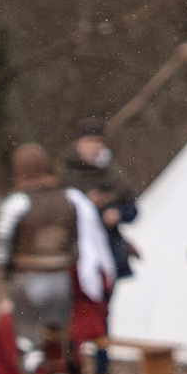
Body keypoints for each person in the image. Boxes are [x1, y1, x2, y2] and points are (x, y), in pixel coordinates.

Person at [0, 143, 106, 374]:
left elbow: (2, 252)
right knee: (58, 353)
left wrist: (9, 278)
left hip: (29, 280)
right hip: (60, 281)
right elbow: (75, 248)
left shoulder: (18, 203)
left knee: (30, 351)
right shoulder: (68, 200)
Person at [61, 116, 141, 289]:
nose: (95, 146)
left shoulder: (111, 172)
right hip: (77, 254)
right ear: (78, 143)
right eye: (90, 141)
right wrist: (85, 205)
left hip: (110, 251)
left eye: (99, 141)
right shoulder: (65, 176)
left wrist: (116, 213)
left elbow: (133, 209)